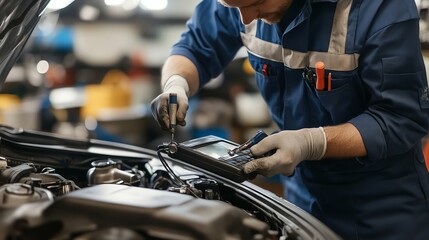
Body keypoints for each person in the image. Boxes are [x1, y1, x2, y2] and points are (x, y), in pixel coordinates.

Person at [151, 0, 429, 239]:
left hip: (382, 210)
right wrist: (176, 83)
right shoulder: (238, 3)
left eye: (255, 3)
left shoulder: (380, 8)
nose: (245, 18)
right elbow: (196, 46)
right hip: (298, 199)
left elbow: (400, 117)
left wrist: (311, 142)